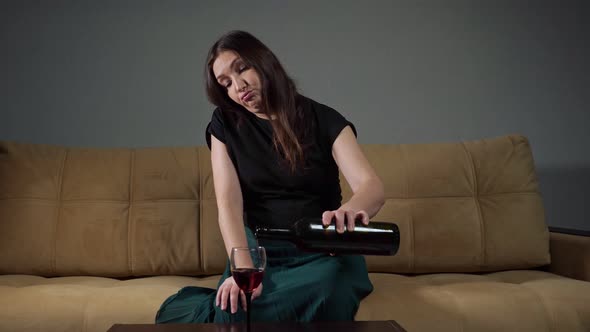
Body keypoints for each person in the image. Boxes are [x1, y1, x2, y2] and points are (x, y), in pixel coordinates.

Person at [155, 30, 385, 323]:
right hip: (260, 251)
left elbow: (371, 187)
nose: (238, 87)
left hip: (323, 249)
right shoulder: (224, 123)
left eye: (242, 69)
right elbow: (228, 205)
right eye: (226, 84)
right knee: (236, 307)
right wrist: (244, 268)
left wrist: (349, 212)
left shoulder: (324, 118)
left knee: (328, 292)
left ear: (264, 62)